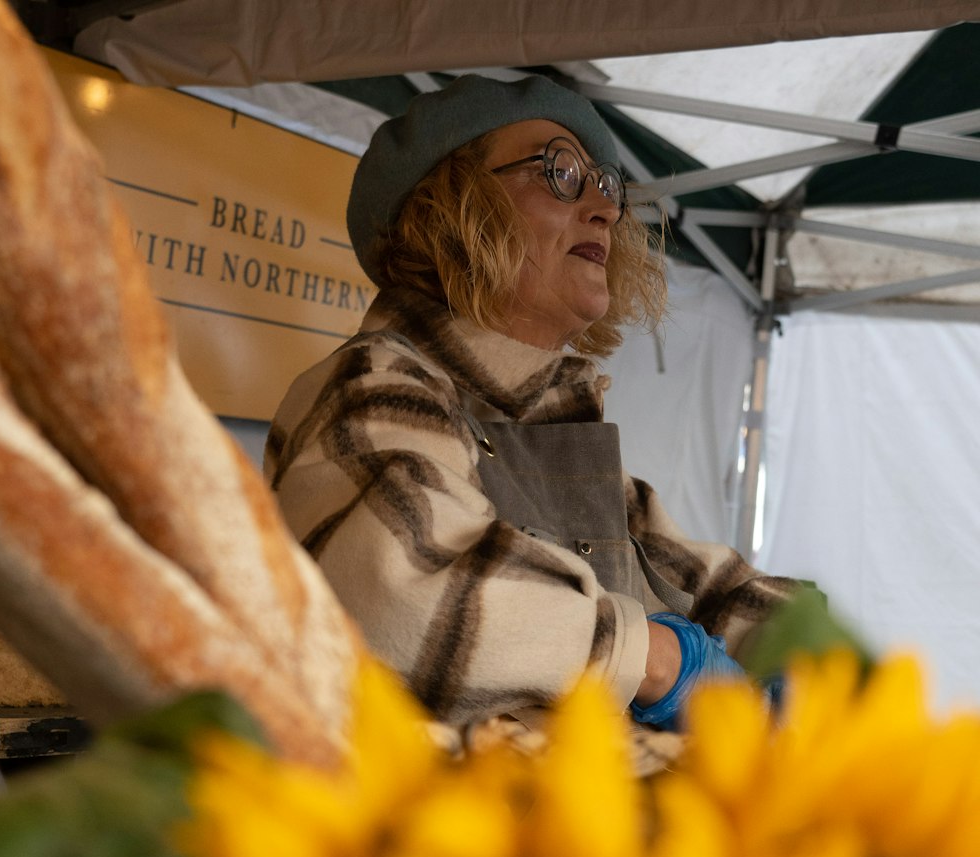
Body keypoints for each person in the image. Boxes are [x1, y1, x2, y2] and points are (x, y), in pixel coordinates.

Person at [265, 74, 794, 740]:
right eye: (561, 171)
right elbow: (409, 597)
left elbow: (698, 577)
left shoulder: (545, 424)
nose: (603, 209)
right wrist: (655, 658)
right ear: (451, 207)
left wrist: (802, 644)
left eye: (607, 186)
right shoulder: (372, 387)